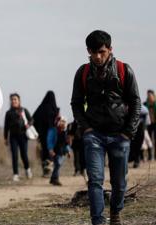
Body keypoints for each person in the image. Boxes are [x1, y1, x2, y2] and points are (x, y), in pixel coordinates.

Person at [71, 30, 141, 225]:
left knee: (119, 184)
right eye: (93, 52)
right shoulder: (83, 72)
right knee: (95, 181)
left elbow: (136, 103)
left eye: (102, 51)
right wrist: (85, 128)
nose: (98, 56)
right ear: (88, 51)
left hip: (120, 136)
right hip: (94, 136)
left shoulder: (123, 70)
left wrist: (128, 132)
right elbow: (76, 103)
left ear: (110, 49)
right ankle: (98, 220)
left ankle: (116, 213)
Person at [4, 93, 33, 181]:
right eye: (12, 99)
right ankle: (15, 174)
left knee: (24, 154)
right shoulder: (8, 113)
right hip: (13, 137)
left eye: (15, 99)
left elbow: (31, 119)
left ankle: (27, 170)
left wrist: (28, 125)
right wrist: (5, 138)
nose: (13, 101)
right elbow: (6, 127)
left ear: (19, 100)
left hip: (23, 136)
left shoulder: (24, 110)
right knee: (14, 155)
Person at [33, 91, 60, 177]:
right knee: (51, 151)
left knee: (44, 152)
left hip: (42, 135)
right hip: (52, 135)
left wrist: (37, 132)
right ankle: (50, 169)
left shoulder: (40, 109)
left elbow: (34, 120)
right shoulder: (55, 110)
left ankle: (45, 171)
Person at [47, 117, 71, 186]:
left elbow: (66, 144)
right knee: (57, 164)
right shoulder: (53, 130)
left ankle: (52, 179)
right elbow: (49, 140)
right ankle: (55, 179)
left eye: (64, 121)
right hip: (55, 151)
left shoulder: (65, 132)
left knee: (58, 165)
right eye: (61, 121)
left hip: (62, 151)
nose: (62, 123)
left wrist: (68, 151)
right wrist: (50, 149)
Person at [144, 89, 156, 160]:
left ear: (153, 95)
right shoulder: (145, 104)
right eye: (148, 95)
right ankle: (150, 156)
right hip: (148, 124)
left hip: (155, 124)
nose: (149, 96)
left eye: (150, 95)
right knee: (149, 140)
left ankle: (155, 156)